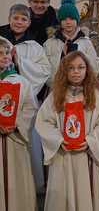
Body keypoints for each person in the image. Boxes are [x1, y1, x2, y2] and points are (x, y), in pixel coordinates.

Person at [36, 51, 99, 211]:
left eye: (80, 67)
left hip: (86, 156)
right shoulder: (56, 96)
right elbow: (44, 122)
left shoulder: (96, 96)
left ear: (87, 70)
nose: (76, 71)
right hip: (64, 155)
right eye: (71, 68)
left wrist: (90, 141)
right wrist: (58, 140)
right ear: (64, 71)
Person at [0, 3, 51, 192]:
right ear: (9, 19)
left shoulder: (34, 46)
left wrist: (20, 62)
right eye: (15, 18)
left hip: (21, 102)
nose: (19, 22)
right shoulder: (1, 40)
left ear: (29, 23)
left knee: (21, 166)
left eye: (23, 19)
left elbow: (44, 71)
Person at [0, 39, 38, 210]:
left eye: (7, 53)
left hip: (16, 138)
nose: (5, 57)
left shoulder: (21, 82)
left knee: (17, 179)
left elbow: (31, 108)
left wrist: (16, 123)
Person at [44, 0, 99, 89]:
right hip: (58, 89)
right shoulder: (50, 43)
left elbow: (96, 67)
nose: (68, 22)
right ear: (59, 21)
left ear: (77, 20)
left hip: (82, 89)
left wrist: (78, 50)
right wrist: (62, 55)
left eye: (71, 19)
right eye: (64, 19)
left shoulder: (86, 42)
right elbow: (45, 68)